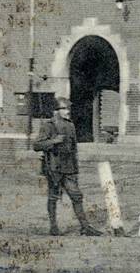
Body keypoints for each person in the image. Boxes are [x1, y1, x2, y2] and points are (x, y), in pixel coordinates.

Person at [32, 97, 102, 236]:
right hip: (53, 167)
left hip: (69, 167)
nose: (67, 111)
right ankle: (53, 227)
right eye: (64, 109)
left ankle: (85, 227)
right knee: (53, 197)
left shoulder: (70, 125)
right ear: (56, 111)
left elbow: (74, 149)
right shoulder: (48, 126)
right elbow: (36, 145)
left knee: (76, 196)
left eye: (68, 109)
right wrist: (54, 141)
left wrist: (76, 169)